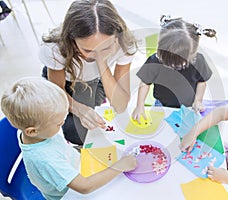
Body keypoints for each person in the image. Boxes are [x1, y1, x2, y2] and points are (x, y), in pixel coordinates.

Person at [1, 77, 137, 200]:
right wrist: (120, 166)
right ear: (32, 131)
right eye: (59, 123)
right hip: (69, 193)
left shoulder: (35, 133)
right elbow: (85, 186)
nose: (64, 122)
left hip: (74, 166)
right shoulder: (46, 159)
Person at [39, 0, 137, 145]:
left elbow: (120, 104)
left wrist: (101, 63)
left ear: (116, 37)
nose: (95, 55)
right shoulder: (55, 49)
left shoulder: (125, 44)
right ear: (72, 41)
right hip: (65, 83)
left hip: (96, 79)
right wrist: (80, 110)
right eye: (87, 50)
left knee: (95, 127)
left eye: (106, 47)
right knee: (76, 132)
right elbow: (57, 91)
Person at [131, 15, 216, 123]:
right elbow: (145, 83)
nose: (173, 66)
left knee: (185, 133)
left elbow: (202, 82)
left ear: (192, 53)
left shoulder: (198, 61)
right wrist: (139, 106)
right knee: (158, 131)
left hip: (189, 108)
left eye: (178, 63)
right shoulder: (155, 60)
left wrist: (198, 101)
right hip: (160, 105)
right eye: (167, 61)